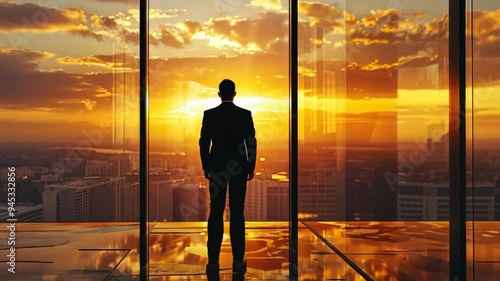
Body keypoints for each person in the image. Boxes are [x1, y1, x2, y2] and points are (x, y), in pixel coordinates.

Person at [199, 79, 257, 276]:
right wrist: (250, 165)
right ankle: (238, 259)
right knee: (237, 212)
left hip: (216, 168)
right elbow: (251, 142)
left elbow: (204, 142)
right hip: (239, 167)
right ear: (234, 93)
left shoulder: (209, 115)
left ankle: (213, 260)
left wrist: (206, 165)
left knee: (216, 211)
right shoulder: (245, 115)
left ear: (219, 94)